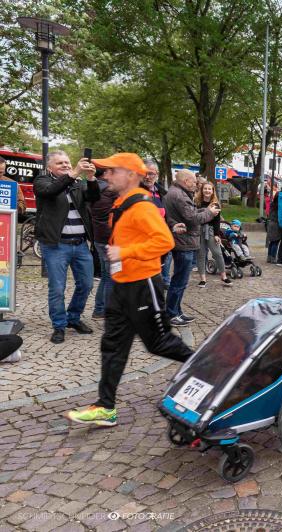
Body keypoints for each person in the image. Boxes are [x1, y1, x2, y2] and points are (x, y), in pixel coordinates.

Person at [65, 153, 193, 426]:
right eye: (107, 171)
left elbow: (165, 242)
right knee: (112, 345)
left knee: (159, 342)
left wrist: (125, 252)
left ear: (132, 175)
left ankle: (210, 368)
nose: (107, 175)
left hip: (143, 285)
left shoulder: (142, 206)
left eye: (113, 171)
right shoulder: (121, 202)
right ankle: (105, 407)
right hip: (122, 286)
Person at [34, 150, 99, 343]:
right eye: (60, 163)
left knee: (86, 284)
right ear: (49, 167)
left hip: (80, 245)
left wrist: (91, 178)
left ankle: (73, 318)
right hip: (56, 245)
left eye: (67, 162)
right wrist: (74, 173)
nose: (65, 165)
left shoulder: (77, 183)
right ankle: (59, 326)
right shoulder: (42, 181)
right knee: (57, 288)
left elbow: (93, 197)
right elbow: (51, 191)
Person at [164, 169, 220, 326]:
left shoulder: (176, 192)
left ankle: (177, 311)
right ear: (186, 181)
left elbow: (190, 213)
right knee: (179, 281)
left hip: (184, 241)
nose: (196, 184)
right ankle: (171, 314)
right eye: (194, 182)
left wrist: (205, 210)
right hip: (184, 242)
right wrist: (210, 213)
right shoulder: (180, 196)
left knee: (180, 281)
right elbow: (193, 219)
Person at [89, 166, 118, 319]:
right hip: (110, 238)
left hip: (99, 237)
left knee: (107, 275)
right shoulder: (110, 191)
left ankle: (99, 309)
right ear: (106, 174)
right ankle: (106, 310)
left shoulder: (93, 189)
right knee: (111, 276)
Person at [194, 182, 231, 288]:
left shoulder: (215, 204)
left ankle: (223, 276)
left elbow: (217, 221)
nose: (207, 191)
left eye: (209, 189)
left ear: (212, 191)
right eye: (205, 188)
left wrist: (217, 234)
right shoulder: (196, 202)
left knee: (217, 253)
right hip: (199, 230)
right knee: (201, 255)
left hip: (210, 230)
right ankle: (203, 279)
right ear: (202, 190)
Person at [141, 161, 171, 287]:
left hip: (160, 238)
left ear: (157, 174)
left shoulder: (161, 192)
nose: (147, 177)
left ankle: (164, 280)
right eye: (145, 173)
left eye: (151, 174)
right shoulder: (136, 192)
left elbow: (167, 215)